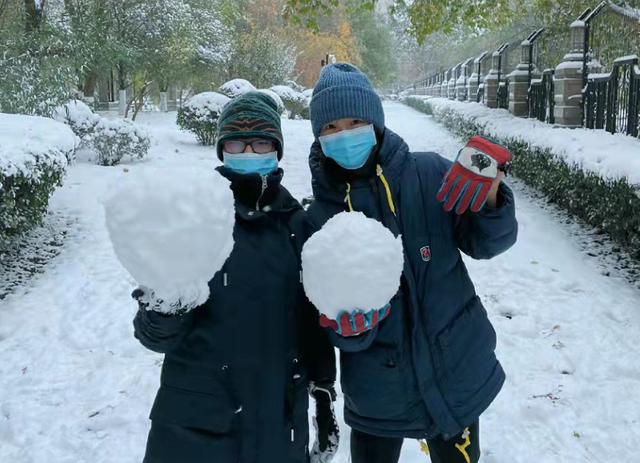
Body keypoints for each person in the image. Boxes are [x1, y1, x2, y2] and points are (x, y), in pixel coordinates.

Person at [306, 63, 518, 463]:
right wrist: (349, 332)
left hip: (455, 376)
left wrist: (491, 191)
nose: (344, 134)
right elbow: (327, 321)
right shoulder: (319, 219)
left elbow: (488, 243)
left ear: (376, 121)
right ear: (318, 135)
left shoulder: (431, 174)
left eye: (355, 121)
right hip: (376, 397)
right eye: (330, 127)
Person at [132, 92, 339, 463]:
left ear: (276, 149)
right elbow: (155, 337)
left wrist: (323, 395)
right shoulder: (192, 218)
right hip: (198, 427)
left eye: (260, 142)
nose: (248, 151)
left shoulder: (297, 225)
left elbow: (312, 322)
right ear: (221, 149)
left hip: (279, 424)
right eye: (236, 142)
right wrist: (163, 307)